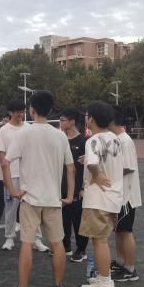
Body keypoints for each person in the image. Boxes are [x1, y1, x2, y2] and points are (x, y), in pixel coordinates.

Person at [2, 91, 75, 287]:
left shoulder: (23, 133)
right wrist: (69, 196)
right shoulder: (60, 135)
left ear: (31, 109)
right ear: (51, 110)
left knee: (27, 243)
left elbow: (5, 163)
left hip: (30, 199)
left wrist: (12, 190)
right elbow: (71, 168)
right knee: (57, 243)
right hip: (53, 199)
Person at [79, 101, 124, 287]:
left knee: (99, 241)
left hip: (98, 198)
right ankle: (103, 277)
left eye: (86, 115)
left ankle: (105, 283)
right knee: (102, 240)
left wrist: (95, 174)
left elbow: (93, 164)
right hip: (114, 197)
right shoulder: (115, 139)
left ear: (91, 119)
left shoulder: (93, 140)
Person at [0, 101, 33, 252]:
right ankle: (9, 237)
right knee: (11, 207)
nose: (21, 114)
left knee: (32, 206)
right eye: (18, 111)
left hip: (28, 174)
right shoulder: (4, 131)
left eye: (23, 111)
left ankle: (36, 238)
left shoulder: (29, 128)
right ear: (10, 113)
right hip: (12, 174)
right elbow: (1, 155)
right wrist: (6, 178)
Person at [109, 107, 142, 282]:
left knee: (125, 231)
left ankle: (130, 268)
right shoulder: (117, 139)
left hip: (126, 196)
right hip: (118, 195)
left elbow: (128, 168)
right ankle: (120, 262)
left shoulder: (125, 141)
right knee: (119, 231)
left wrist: (106, 172)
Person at [59, 108, 88, 263]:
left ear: (72, 121)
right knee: (63, 220)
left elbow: (87, 168)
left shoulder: (83, 142)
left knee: (78, 222)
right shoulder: (61, 139)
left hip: (77, 188)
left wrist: (83, 187)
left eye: (63, 120)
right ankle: (66, 247)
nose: (61, 123)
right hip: (62, 187)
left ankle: (81, 250)